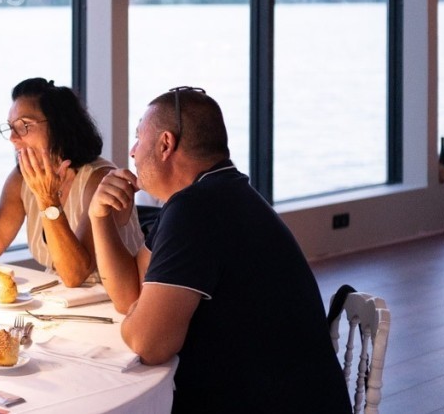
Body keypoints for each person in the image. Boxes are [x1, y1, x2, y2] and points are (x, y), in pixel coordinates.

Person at [90, 86, 350, 413]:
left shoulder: (195, 210)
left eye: (139, 138)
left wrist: (137, 316)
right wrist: (99, 218)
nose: (132, 152)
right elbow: (130, 295)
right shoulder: (214, 194)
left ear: (165, 144)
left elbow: (149, 344)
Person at [0, 77, 142, 287]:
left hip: (114, 307)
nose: (13, 138)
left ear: (59, 126)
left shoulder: (100, 179)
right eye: (10, 127)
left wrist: (48, 200)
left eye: (24, 125)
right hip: (62, 303)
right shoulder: (22, 179)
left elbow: (75, 274)